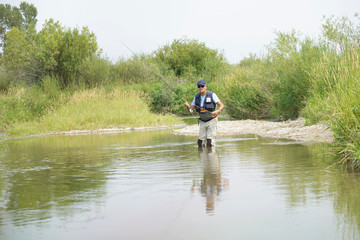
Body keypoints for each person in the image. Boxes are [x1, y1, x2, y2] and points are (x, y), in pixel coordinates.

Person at [184, 80, 224, 147]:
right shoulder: (196, 97)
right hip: (202, 121)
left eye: (202, 86)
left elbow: (222, 105)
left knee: (210, 142)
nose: (200, 88)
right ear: (197, 87)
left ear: (205, 87)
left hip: (212, 120)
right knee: (200, 142)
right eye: (199, 86)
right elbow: (191, 110)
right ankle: (203, 157)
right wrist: (187, 107)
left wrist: (218, 111)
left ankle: (211, 156)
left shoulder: (212, 95)